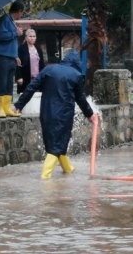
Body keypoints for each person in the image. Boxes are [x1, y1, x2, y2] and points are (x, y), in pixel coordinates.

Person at [14, 50, 97, 179]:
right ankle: (45, 176)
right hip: (64, 115)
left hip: (46, 113)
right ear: (77, 63)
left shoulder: (48, 70)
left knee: (55, 143)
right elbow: (81, 99)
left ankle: (68, 169)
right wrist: (90, 114)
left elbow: (31, 87)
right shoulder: (76, 75)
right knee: (57, 146)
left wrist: (19, 105)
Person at [0, 0, 24, 118]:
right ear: (19, 11)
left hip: (11, 57)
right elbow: (0, 35)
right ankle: (0, 107)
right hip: (2, 56)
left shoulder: (11, 21)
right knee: (2, 81)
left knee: (9, 83)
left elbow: (12, 42)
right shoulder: (4, 20)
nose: (21, 15)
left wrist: (16, 56)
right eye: (22, 12)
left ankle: (7, 107)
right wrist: (15, 33)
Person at [15, 29, 45, 94]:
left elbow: (42, 63)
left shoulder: (38, 49)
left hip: (37, 78)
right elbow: (18, 64)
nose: (32, 38)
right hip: (26, 77)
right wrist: (19, 77)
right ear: (26, 37)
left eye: (34, 36)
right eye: (30, 36)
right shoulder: (21, 48)